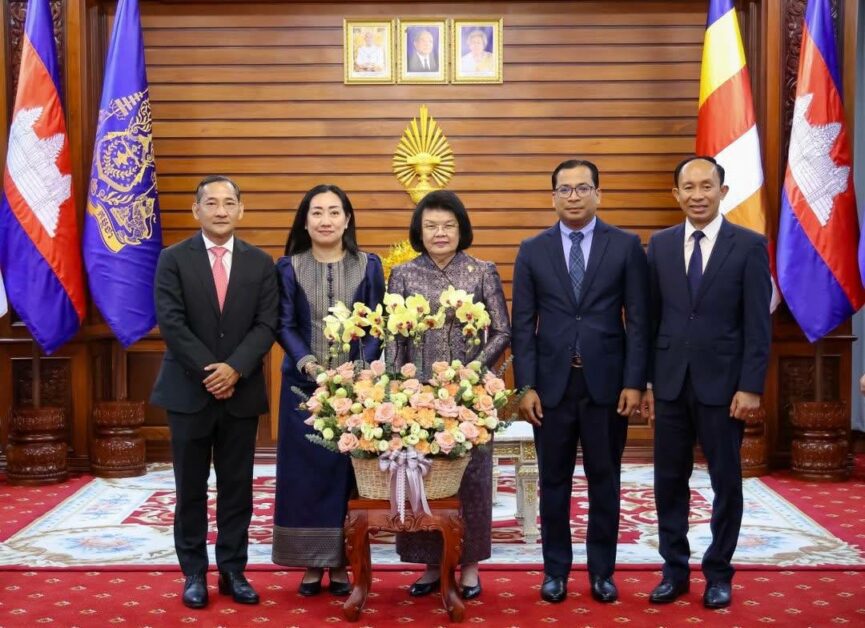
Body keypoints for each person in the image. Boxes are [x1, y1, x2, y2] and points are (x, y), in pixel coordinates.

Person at [511, 159, 650, 604]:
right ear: (553, 197)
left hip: (607, 386)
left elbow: (639, 320)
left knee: (604, 480)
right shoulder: (532, 249)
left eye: (582, 188)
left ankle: (602, 573)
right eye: (565, 189)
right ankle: (555, 572)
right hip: (551, 388)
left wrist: (635, 381)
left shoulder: (625, 246)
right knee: (553, 482)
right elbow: (522, 326)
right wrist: (525, 387)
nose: (573, 196)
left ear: (598, 194)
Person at [642, 156, 771, 609]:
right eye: (689, 187)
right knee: (668, 482)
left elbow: (758, 325)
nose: (697, 195)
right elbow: (649, 320)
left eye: (706, 186)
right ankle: (674, 571)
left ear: (723, 191)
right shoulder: (659, 245)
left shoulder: (749, 246)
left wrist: (751, 386)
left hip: (725, 387)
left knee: (726, 483)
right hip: (670, 384)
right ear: (676, 194)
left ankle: (719, 572)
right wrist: (648, 383)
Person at [150, 175, 278, 609]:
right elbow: (171, 322)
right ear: (196, 210)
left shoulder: (260, 263)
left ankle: (233, 570)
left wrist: (234, 369)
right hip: (188, 392)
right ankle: (193, 573)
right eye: (211, 203)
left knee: (237, 487)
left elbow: (267, 324)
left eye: (228, 203)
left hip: (241, 393)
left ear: (241, 210)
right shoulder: (172, 259)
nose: (220, 210)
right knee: (190, 487)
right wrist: (212, 372)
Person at [388, 190, 511, 601]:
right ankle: (430, 564)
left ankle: (470, 565)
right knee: (424, 480)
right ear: (419, 231)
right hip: (418, 394)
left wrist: (472, 372)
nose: (439, 233)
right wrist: (396, 387)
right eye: (431, 226)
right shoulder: (403, 274)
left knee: (470, 480)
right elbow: (393, 337)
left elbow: (502, 331)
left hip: (469, 396)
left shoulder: (482, 271)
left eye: (448, 225)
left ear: (461, 229)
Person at [272, 184, 385, 597]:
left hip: (355, 390)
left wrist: (356, 370)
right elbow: (284, 324)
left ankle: (340, 563)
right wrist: (310, 365)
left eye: (334, 212)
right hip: (302, 388)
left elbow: (377, 324)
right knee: (305, 475)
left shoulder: (368, 265)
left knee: (345, 474)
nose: (325, 220)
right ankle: (311, 562)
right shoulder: (289, 267)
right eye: (317, 212)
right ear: (305, 221)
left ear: (347, 219)